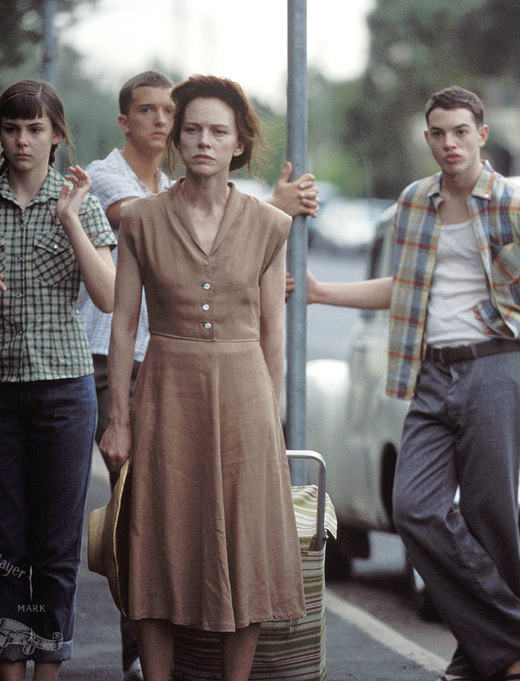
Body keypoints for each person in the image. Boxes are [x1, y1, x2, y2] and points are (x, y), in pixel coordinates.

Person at [304, 85, 520, 681]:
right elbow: (404, 290)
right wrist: (321, 292)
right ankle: (514, 637)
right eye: (439, 133)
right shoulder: (416, 202)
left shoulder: (514, 205)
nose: (449, 143)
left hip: (498, 369)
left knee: (490, 515)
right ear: (428, 138)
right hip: (433, 374)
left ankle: (485, 656)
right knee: (413, 509)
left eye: (461, 132)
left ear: (482, 136)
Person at [78, 69, 318, 681]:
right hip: (166, 390)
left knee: (244, 542)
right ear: (177, 141)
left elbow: (272, 330)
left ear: (240, 142)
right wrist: (120, 421)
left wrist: (273, 415)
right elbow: (125, 325)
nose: (204, 141)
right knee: (157, 543)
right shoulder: (140, 220)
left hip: (244, 395)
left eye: (219, 131)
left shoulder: (270, 225)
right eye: (192, 130)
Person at [0, 79, 116, 681]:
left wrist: (71, 221)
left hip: (64, 390)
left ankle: (49, 669)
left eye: (35, 129)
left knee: (56, 548)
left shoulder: (79, 201)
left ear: (57, 135)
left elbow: (108, 296)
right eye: (12, 129)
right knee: (3, 546)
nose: (23, 140)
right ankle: (10, 671)